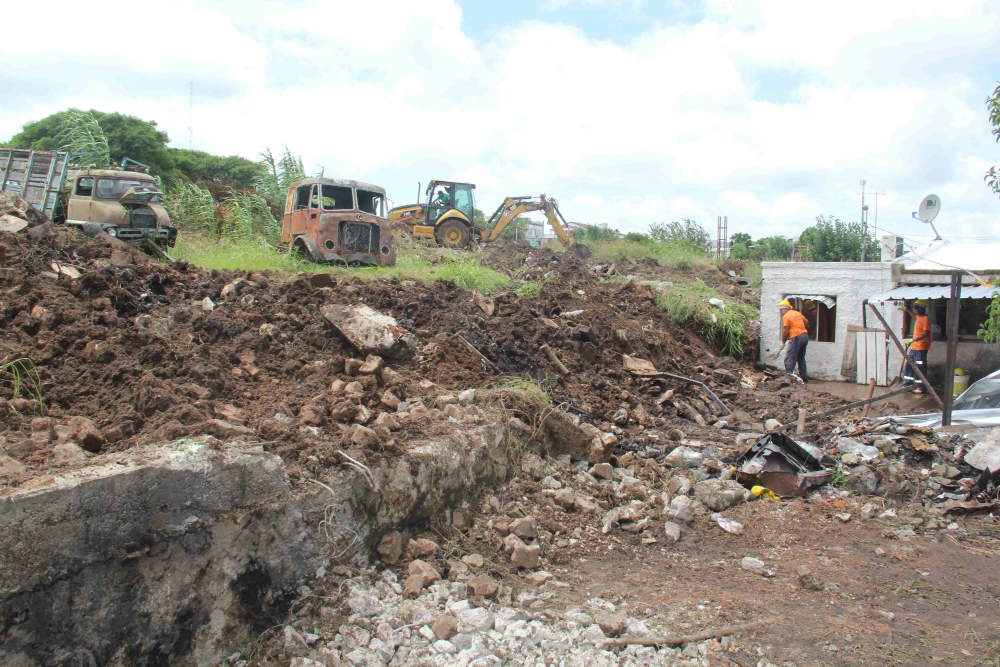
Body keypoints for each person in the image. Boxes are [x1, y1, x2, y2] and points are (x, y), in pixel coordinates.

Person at [902, 300, 931, 394]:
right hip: (914, 347)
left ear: (921, 308)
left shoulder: (925, 319)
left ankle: (921, 387)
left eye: (916, 308)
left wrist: (912, 340)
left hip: (921, 347)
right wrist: (906, 310)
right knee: (909, 364)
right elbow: (915, 316)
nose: (915, 310)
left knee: (919, 367)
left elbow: (926, 333)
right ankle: (907, 385)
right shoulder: (919, 317)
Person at [778, 299, 809, 383]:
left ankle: (789, 377)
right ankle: (804, 377)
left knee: (790, 357)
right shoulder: (797, 313)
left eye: (781, 310)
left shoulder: (786, 316)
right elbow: (806, 321)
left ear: (785, 309)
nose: (780, 312)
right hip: (805, 336)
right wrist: (799, 327)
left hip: (796, 337)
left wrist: (783, 342)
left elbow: (786, 331)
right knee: (800, 357)